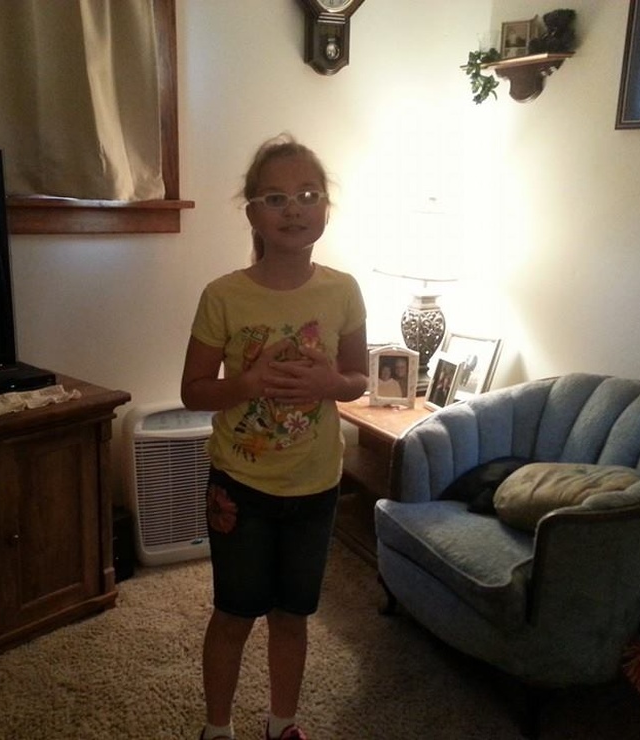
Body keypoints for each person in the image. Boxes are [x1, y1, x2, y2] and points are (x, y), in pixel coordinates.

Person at [181, 134, 368, 740]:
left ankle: (282, 723)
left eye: (308, 195)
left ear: (325, 208)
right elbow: (193, 391)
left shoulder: (343, 290)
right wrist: (247, 383)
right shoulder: (224, 295)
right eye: (276, 198)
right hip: (241, 487)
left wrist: (330, 382)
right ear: (253, 213)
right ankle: (217, 728)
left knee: (293, 616)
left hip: (315, 487)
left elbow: (358, 380)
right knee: (234, 614)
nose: (294, 209)